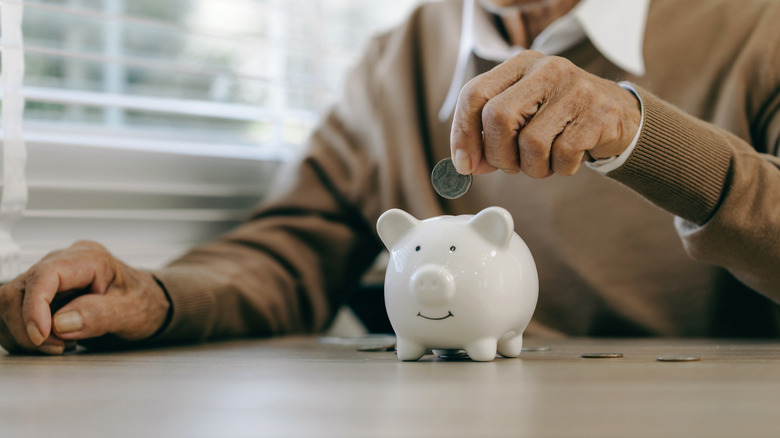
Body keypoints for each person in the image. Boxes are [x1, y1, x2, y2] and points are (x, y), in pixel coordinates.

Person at [2, 0, 779, 355]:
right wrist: (160, 296)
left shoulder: (759, 26)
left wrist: (644, 136)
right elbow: (291, 250)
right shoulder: (394, 57)